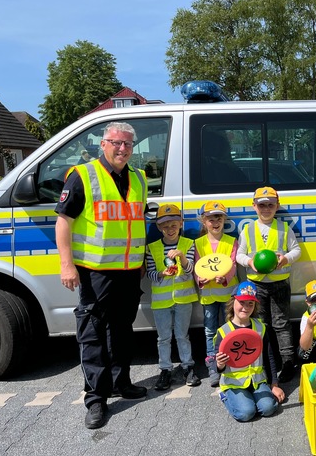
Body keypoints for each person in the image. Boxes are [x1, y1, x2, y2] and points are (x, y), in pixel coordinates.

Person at [55, 121, 148, 429]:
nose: (122, 149)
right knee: (93, 333)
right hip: (95, 272)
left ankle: (122, 383)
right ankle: (96, 398)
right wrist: (66, 264)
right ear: (103, 144)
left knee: (122, 330)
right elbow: (64, 221)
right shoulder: (82, 175)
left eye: (128, 144)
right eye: (116, 143)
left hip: (129, 270)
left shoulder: (138, 178)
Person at [236, 187, 301, 382]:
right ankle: (265, 361)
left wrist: (286, 259)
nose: (266, 208)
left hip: (280, 283)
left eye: (271, 205)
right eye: (262, 205)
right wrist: (249, 262)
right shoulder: (247, 230)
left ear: (277, 206)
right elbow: (239, 254)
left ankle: (288, 362)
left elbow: (296, 250)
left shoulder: (284, 228)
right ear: (254, 206)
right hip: (256, 286)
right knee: (261, 325)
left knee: (281, 324)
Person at [145, 204, 200, 391]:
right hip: (161, 302)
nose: (170, 229)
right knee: (163, 337)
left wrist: (183, 258)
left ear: (181, 224)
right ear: (159, 227)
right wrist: (161, 274)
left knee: (182, 335)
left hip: (183, 299)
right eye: (165, 226)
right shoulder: (152, 248)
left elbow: (190, 272)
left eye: (174, 225)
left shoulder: (188, 244)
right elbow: (149, 273)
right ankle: (165, 369)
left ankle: (188, 367)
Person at [215, 281, 285, 422]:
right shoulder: (224, 331)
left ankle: (252, 398)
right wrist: (219, 364)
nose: (245, 308)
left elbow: (268, 356)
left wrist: (274, 385)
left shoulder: (260, 328)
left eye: (250, 304)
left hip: (257, 381)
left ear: (255, 306)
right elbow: (216, 366)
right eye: (242, 302)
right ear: (233, 302)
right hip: (233, 382)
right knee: (246, 413)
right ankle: (225, 395)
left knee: (269, 408)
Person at [194, 200, 238, 387]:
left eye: (218, 217)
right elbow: (196, 266)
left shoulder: (231, 241)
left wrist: (225, 277)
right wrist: (199, 279)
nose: (215, 222)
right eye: (211, 218)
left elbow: (233, 264)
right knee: (210, 330)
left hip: (228, 294)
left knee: (228, 328)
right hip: (209, 295)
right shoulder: (198, 243)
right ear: (204, 221)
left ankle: (230, 363)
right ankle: (213, 365)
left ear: (224, 220)